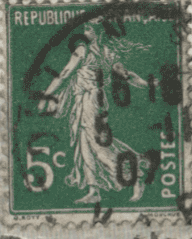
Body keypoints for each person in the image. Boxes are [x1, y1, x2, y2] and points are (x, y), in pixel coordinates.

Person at [38, 24, 149, 204]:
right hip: (85, 101)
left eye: (89, 28)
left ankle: (135, 177)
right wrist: (149, 85)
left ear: (97, 32)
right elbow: (130, 76)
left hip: (91, 101)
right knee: (84, 145)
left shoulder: (84, 50)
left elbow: (65, 73)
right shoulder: (108, 54)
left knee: (97, 146)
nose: (84, 32)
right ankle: (93, 190)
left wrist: (46, 95)